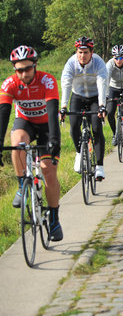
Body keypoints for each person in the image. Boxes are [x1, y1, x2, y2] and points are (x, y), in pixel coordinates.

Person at [0, 46, 64, 241]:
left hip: (46, 125)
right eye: (19, 70)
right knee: (17, 142)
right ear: (14, 69)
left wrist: (54, 140)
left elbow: (53, 112)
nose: (24, 73)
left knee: (48, 169)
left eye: (28, 68)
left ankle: (53, 218)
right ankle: (22, 185)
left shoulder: (47, 80)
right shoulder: (9, 84)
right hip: (25, 122)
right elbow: (3, 114)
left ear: (35, 65)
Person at [60, 36, 108, 180]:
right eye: (79, 52)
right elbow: (66, 83)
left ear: (91, 52)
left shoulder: (98, 63)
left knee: (96, 128)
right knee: (74, 126)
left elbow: (102, 83)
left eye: (85, 52)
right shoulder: (71, 63)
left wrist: (101, 105)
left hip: (95, 98)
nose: (82, 55)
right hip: (78, 96)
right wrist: (63, 106)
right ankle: (79, 153)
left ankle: (99, 167)